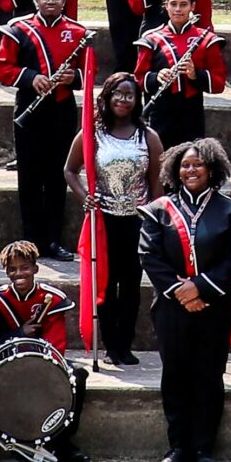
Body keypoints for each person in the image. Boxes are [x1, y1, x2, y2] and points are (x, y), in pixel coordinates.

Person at [139, 138, 231, 462]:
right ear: (176, 169)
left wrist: (200, 288)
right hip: (171, 307)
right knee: (174, 375)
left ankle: (204, 448)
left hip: (214, 306)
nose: (191, 170)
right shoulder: (158, 209)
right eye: (185, 165)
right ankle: (177, 446)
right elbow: (149, 254)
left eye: (198, 165)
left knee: (208, 375)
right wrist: (179, 291)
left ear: (212, 169)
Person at [0, 241, 91, 462]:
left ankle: (63, 444)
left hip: (42, 362)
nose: (19, 274)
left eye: (25, 267)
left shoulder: (51, 299)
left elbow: (57, 346)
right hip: (2, 363)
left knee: (78, 375)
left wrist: (31, 359)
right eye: (13, 269)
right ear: (6, 273)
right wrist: (18, 334)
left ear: (35, 269)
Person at [0, 0, 90, 262]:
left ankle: (53, 239)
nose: (50, 2)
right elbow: (2, 67)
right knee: (30, 176)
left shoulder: (77, 32)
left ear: (64, 0)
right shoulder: (19, 29)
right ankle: (30, 240)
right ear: (35, 0)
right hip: (29, 108)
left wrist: (75, 78)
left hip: (62, 109)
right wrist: (31, 77)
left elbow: (89, 71)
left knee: (58, 175)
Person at [73, 71, 161, 366]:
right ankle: (110, 345)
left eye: (129, 95)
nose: (123, 100)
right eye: (118, 94)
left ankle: (126, 343)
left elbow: (156, 184)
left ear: (137, 101)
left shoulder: (148, 136)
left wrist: (156, 221)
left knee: (132, 284)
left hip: (137, 220)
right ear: (107, 98)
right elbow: (69, 170)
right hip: (104, 219)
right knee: (107, 285)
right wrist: (84, 195)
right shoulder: (92, 134)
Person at [133, 0, 223, 149]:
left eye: (183, 5)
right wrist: (156, 77)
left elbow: (218, 83)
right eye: (173, 4)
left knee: (190, 156)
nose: (178, 9)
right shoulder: (151, 38)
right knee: (160, 158)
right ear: (165, 6)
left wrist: (195, 75)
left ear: (192, 6)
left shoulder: (207, 39)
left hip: (191, 110)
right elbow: (138, 79)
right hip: (160, 110)